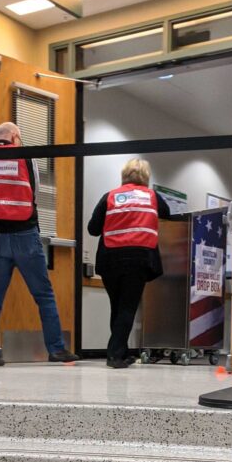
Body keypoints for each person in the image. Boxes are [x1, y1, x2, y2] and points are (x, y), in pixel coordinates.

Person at [0, 122, 78, 367]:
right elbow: (34, 195)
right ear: (14, 137)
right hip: (25, 236)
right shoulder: (26, 157)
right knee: (43, 295)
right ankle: (56, 350)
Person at [87, 158, 170, 368]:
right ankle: (115, 355)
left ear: (124, 176)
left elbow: (93, 228)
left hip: (110, 260)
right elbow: (168, 214)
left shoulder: (110, 196)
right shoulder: (152, 196)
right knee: (126, 308)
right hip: (137, 259)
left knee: (117, 307)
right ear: (146, 178)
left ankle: (120, 352)